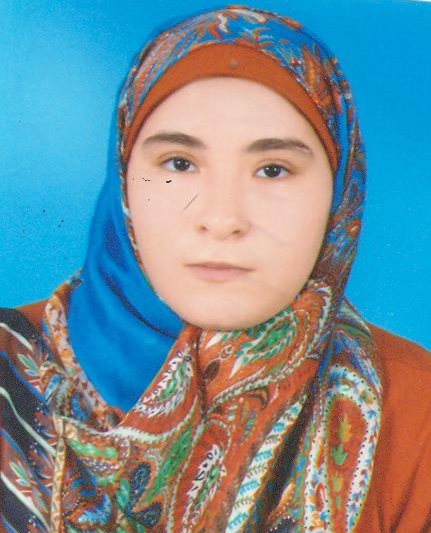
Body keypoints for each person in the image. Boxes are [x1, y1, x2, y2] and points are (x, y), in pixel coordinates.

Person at [1, 5, 430, 532]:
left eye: (273, 170)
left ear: (338, 194)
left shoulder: (415, 411)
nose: (224, 218)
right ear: (124, 181)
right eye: (179, 164)